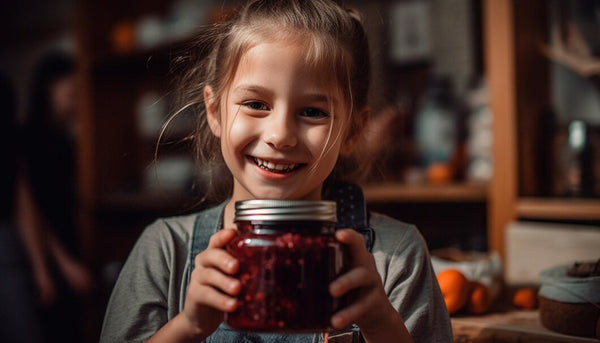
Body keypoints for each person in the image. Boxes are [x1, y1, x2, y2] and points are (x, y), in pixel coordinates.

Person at [100, 0, 452, 342]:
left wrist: (379, 323)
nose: (280, 135)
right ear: (215, 112)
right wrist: (188, 326)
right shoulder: (165, 251)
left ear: (352, 132)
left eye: (313, 111)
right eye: (255, 104)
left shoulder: (397, 256)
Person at [20, 51, 92, 343]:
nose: (75, 100)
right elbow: (34, 209)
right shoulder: (28, 138)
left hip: (66, 240)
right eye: (70, 92)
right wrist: (63, 263)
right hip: (41, 248)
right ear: (48, 88)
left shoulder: (64, 140)